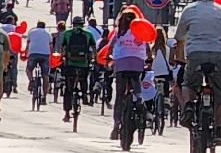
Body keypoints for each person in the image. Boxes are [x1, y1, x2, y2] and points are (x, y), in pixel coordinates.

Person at [174, 0, 221, 145]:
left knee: (188, 83)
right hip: (218, 54)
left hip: (195, 53)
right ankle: (218, 130)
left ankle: (188, 105)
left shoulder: (189, 10)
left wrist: (181, 59)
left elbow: (179, 37)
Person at [108, 11, 151, 139]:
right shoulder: (140, 31)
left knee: (119, 94)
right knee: (136, 79)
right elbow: (148, 48)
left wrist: (108, 57)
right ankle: (139, 98)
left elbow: (110, 47)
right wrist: (149, 59)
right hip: (137, 61)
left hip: (121, 62)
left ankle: (116, 126)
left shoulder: (119, 32)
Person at [56, 16, 98, 121]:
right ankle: (85, 94)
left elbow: (63, 48)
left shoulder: (67, 33)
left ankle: (66, 113)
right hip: (83, 64)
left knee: (68, 89)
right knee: (84, 78)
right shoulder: (88, 34)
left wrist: (62, 58)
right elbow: (93, 48)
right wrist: (95, 59)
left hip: (70, 64)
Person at [23, 18, 54, 93]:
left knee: (28, 69)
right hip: (45, 55)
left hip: (33, 54)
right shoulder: (47, 33)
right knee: (45, 75)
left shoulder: (31, 32)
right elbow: (51, 46)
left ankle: (31, 80)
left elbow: (28, 44)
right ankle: (44, 96)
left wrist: (26, 53)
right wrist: (51, 55)